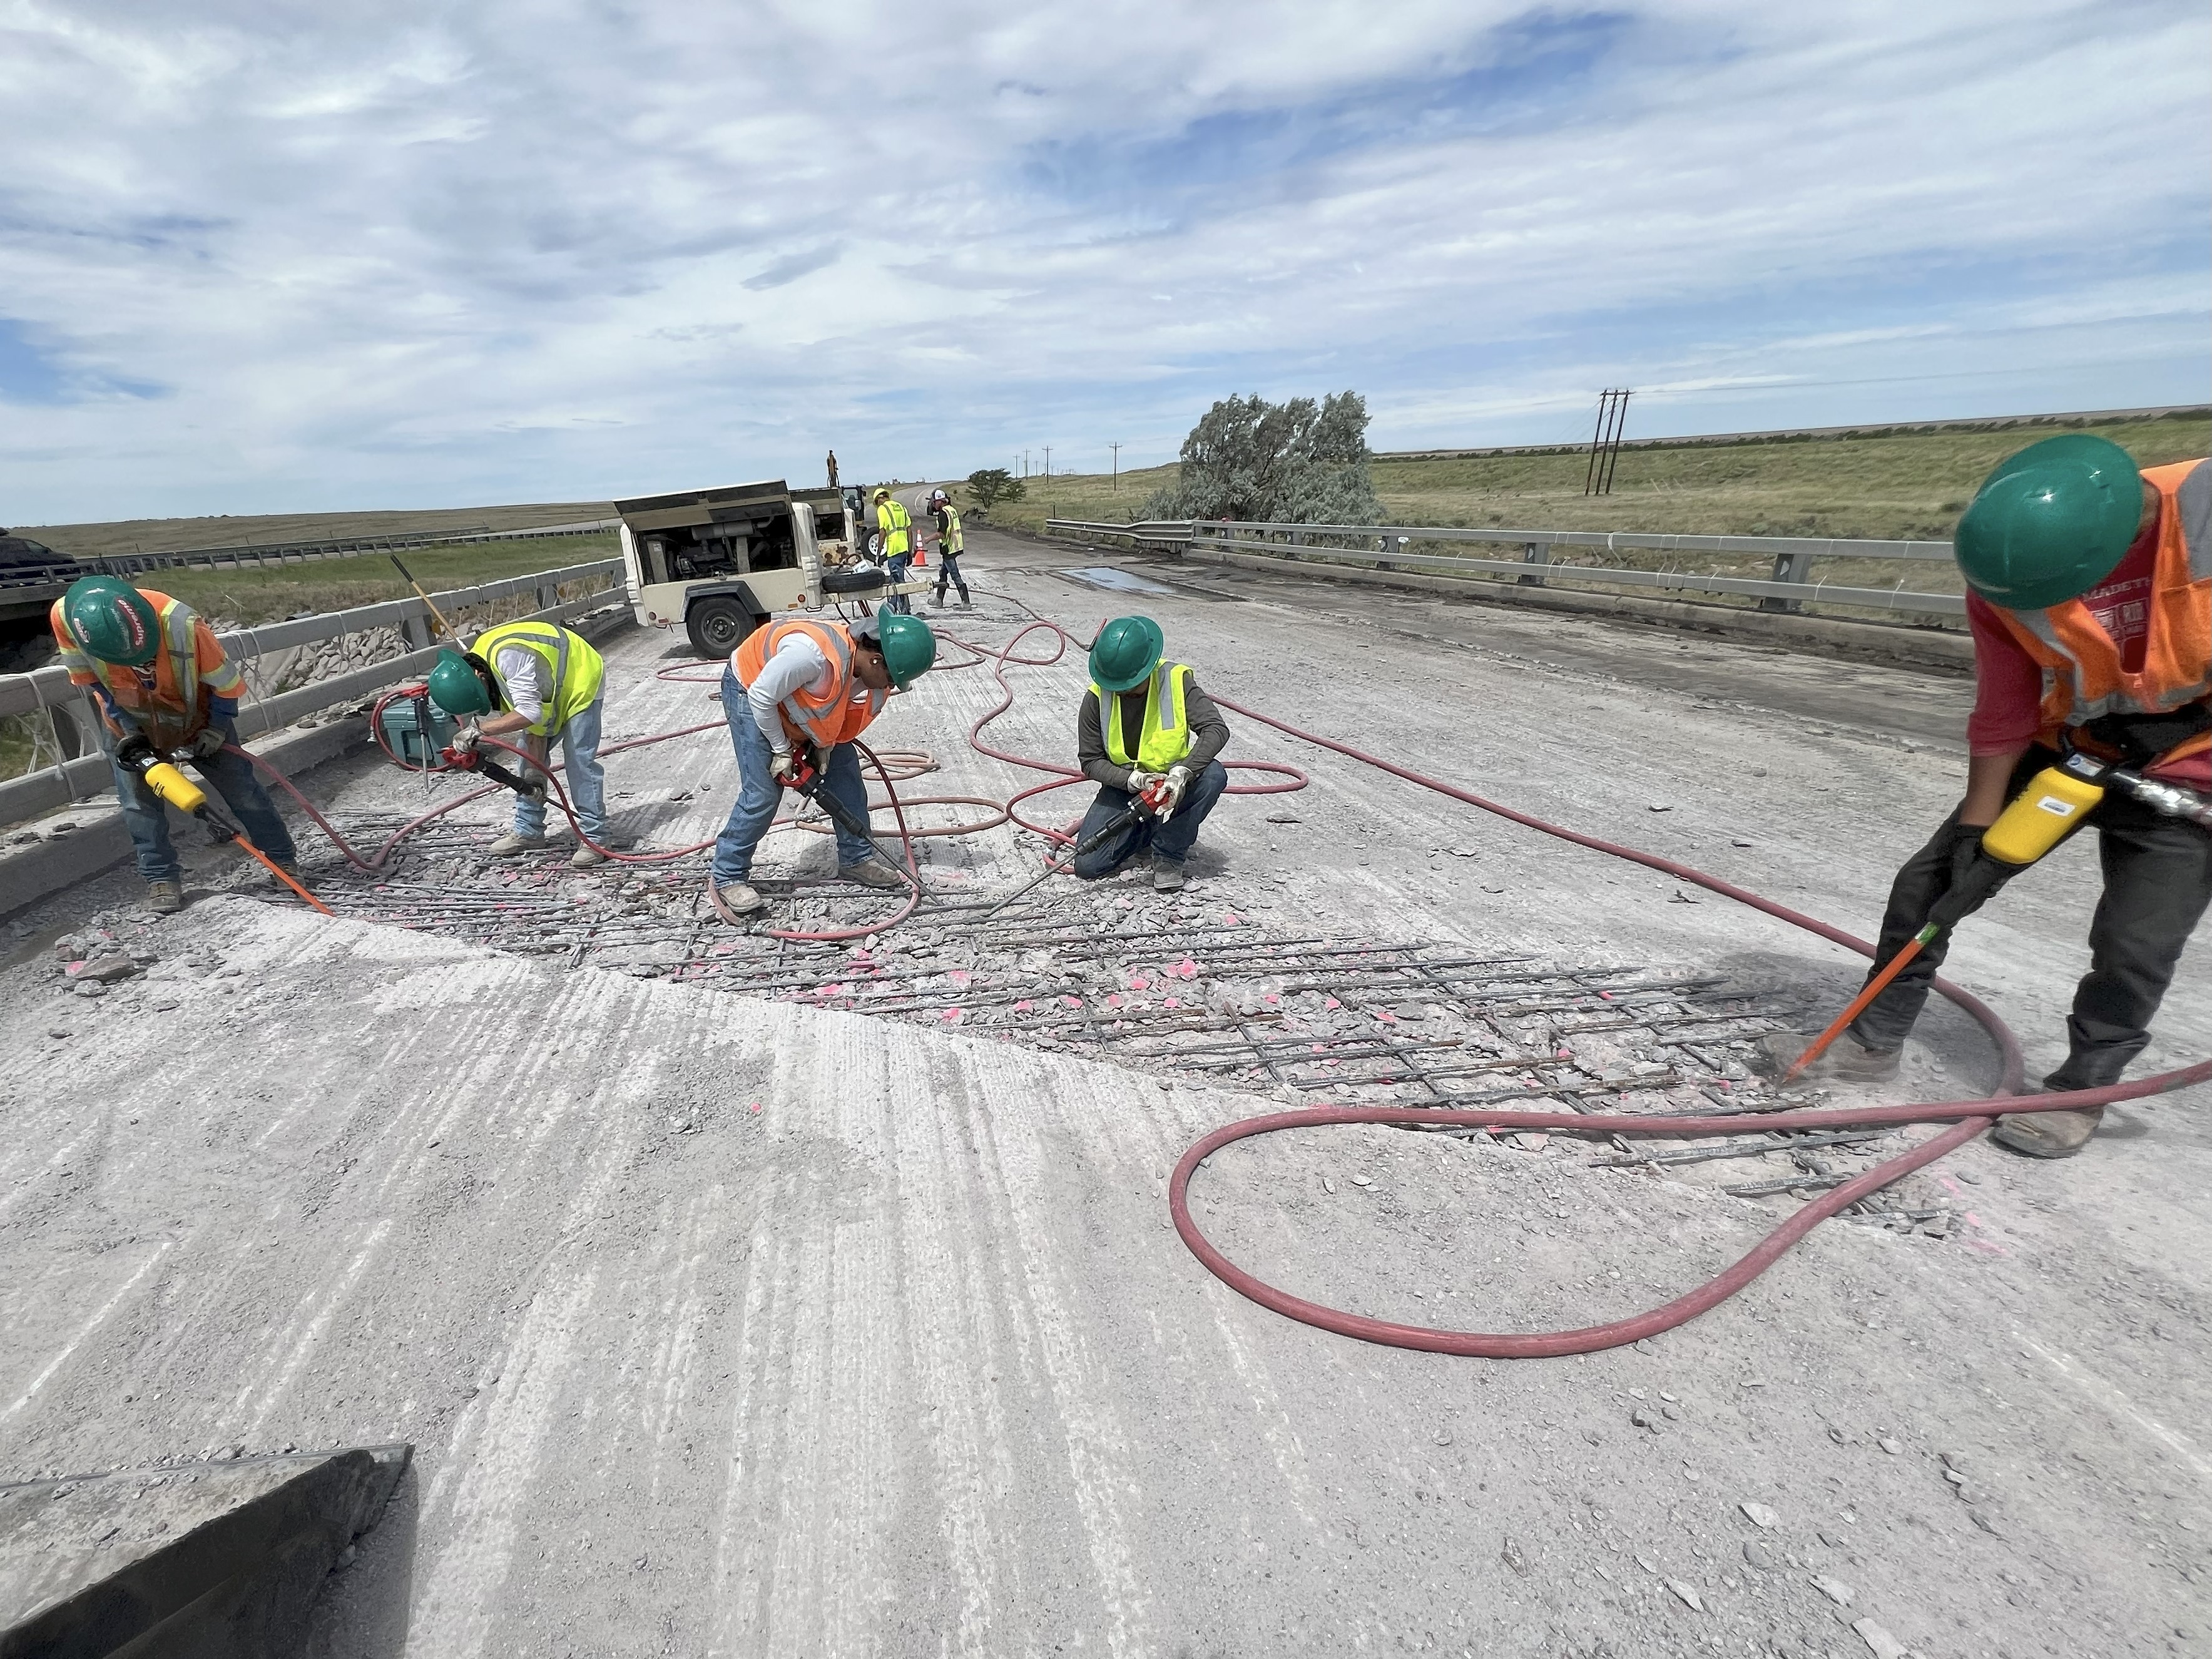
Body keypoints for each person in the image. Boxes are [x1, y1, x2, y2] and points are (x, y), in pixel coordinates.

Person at [1805, 434, 2210, 1158]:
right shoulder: (2007, 565)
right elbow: (2003, 708)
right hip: (2074, 748)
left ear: (2133, 526)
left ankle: (2080, 1088)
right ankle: (1870, 1039)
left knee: (2136, 941)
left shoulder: (2205, 513)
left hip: (2192, 772)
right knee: (1931, 884)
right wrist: (1976, 829)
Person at [49, 575, 300, 914]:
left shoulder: (183, 624)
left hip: (198, 718)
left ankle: (282, 860)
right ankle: (161, 878)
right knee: (139, 805)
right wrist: (127, 729)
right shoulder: (66, 617)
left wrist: (215, 728)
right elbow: (92, 679)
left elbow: (226, 686)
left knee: (242, 791)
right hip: (131, 723)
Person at [708, 611, 937, 917]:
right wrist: (781, 750)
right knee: (763, 793)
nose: (891, 686)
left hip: (788, 691)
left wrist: (824, 744)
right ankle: (729, 875)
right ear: (874, 659)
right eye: (892, 677)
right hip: (750, 688)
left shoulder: (860, 669)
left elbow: (829, 707)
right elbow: (763, 697)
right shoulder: (811, 656)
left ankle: (856, 859)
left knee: (846, 775)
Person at [426, 620, 611, 869]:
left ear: (479, 678)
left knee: (578, 760)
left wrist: (480, 730)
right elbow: (531, 720)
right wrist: (534, 777)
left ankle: (594, 838)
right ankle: (529, 831)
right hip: (549, 686)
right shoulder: (483, 663)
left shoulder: (508, 657)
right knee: (528, 758)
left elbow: (530, 712)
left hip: (580, 677)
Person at [1071, 615, 1231, 892]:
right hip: (1127, 786)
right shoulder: (1096, 697)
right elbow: (1091, 761)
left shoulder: (1175, 681)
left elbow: (1215, 729)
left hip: (1174, 780)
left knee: (1214, 775)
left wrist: (1182, 773)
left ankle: (1169, 851)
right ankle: (1147, 828)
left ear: (1147, 669)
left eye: (1130, 685)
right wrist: (1132, 781)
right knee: (1088, 865)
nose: (1121, 691)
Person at [874, 487, 914, 615]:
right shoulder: (901, 507)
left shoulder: (883, 509)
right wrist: (909, 551)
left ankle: (900, 611)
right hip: (904, 549)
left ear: (879, 499)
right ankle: (904, 609)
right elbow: (909, 530)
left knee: (896, 583)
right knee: (899, 580)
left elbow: (882, 532)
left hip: (894, 549)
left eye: (877, 503)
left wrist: (878, 553)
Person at [930, 489, 971, 609]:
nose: (933, 504)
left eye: (935, 502)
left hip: (950, 548)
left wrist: (927, 539)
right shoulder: (951, 509)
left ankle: (966, 602)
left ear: (940, 501)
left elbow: (941, 534)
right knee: (943, 573)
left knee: (955, 575)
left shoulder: (943, 513)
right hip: (954, 546)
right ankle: (939, 600)